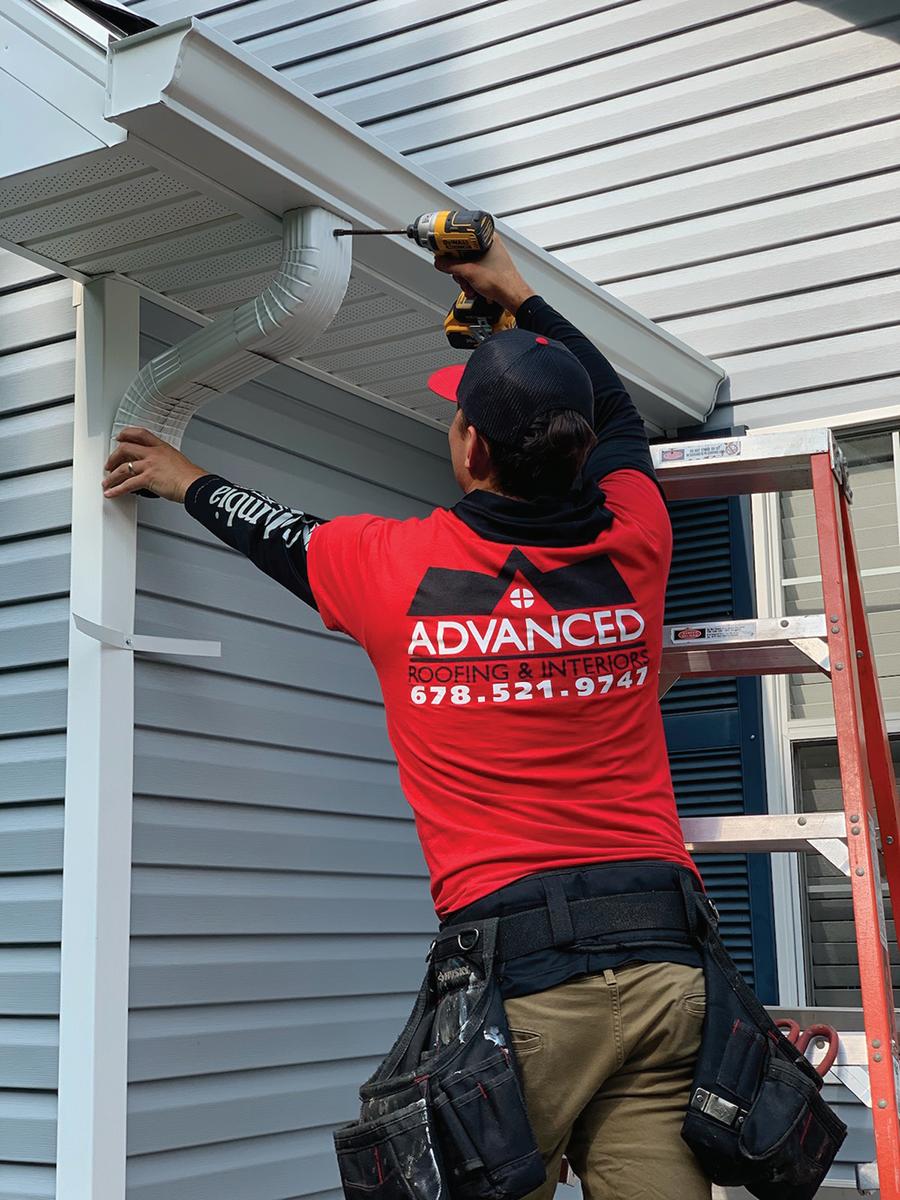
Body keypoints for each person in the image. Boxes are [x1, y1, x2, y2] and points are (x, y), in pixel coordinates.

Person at [103, 235, 711, 1200]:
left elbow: (279, 536)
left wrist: (185, 478)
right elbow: (623, 413)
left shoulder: (389, 567)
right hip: (669, 971)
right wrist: (521, 295)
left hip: (525, 989)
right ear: (580, 451)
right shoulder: (638, 540)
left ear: (472, 448)